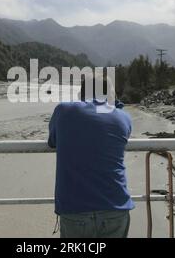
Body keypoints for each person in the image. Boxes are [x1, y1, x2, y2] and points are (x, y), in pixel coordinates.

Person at [48, 75, 134, 238]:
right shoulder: (124, 117)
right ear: (110, 96)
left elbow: (53, 141)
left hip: (75, 208)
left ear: (81, 94)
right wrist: (113, 103)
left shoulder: (63, 111)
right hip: (115, 207)